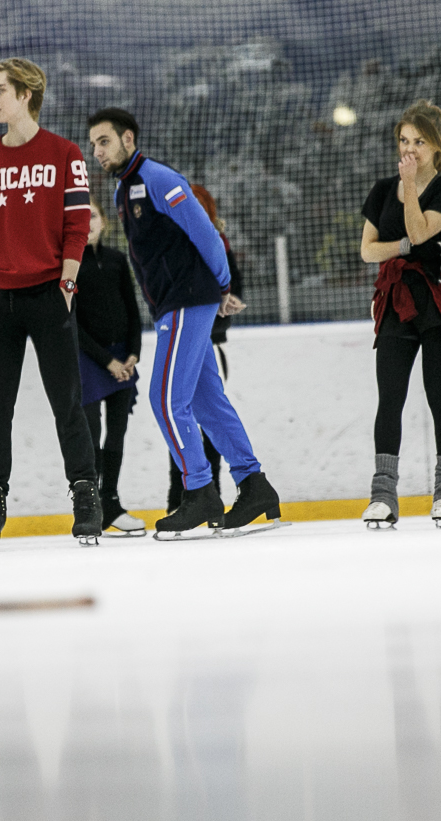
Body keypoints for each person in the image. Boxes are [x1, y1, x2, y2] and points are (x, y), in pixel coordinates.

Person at [88, 107, 282, 536]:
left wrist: (224, 285)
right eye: (94, 144)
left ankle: (199, 490)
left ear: (128, 140)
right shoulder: (125, 190)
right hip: (175, 305)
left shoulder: (158, 179)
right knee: (205, 401)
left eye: (104, 141)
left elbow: (206, 233)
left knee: (164, 399)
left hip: (187, 301)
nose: (96, 151)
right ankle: (254, 485)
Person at [0, 58, 102, 548]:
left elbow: (77, 223)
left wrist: (66, 283)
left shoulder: (64, 154)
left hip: (49, 294)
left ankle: (85, 495)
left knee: (67, 401)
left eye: (0, 91)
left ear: (26, 94)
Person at [359, 99, 441, 529]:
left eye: (419, 141)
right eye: (404, 140)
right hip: (395, 298)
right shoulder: (383, 189)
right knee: (390, 396)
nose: (409, 149)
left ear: (437, 146)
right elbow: (368, 250)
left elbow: (421, 229)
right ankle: (383, 495)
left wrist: (410, 190)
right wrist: (403, 248)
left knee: (439, 391)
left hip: (434, 298)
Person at [165, 184, 242, 513]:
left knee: (206, 419)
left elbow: (233, 298)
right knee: (178, 416)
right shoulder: (172, 248)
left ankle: (212, 493)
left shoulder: (219, 247)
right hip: (183, 341)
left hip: (209, 343)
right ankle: (181, 495)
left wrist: (205, 322)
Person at [76, 197, 146, 535]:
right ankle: (90, 505)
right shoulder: (69, 267)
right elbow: (71, 324)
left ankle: (111, 501)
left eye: (91, 216)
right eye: (79, 218)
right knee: (89, 435)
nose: (87, 223)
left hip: (124, 358)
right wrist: (107, 361)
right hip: (90, 360)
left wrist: (133, 353)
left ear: (103, 221)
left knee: (116, 432)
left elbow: (133, 311)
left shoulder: (118, 260)